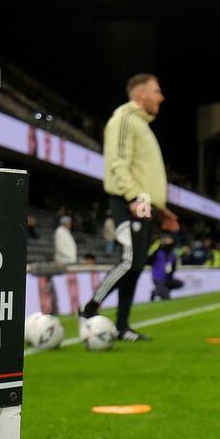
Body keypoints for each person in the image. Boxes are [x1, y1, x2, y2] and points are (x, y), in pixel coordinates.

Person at [80, 73, 179, 341]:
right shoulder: (124, 119)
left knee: (136, 266)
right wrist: (135, 197)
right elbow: (118, 163)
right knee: (129, 261)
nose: (161, 97)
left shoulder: (142, 125)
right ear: (140, 94)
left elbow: (143, 172)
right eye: (156, 91)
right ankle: (88, 309)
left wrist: (161, 209)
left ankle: (122, 326)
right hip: (129, 201)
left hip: (144, 204)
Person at [149, 235, 184, 300]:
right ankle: (157, 292)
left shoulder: (173, 255)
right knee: (167, 298)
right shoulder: (158, 252)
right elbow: (149, 259)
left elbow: (173, 268)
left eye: (169, 240)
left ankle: (158, 291)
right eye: (166, 240)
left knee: (180, 283)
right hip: (157, 278)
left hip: (167, 279)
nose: (167, 241)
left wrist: (169, 277)